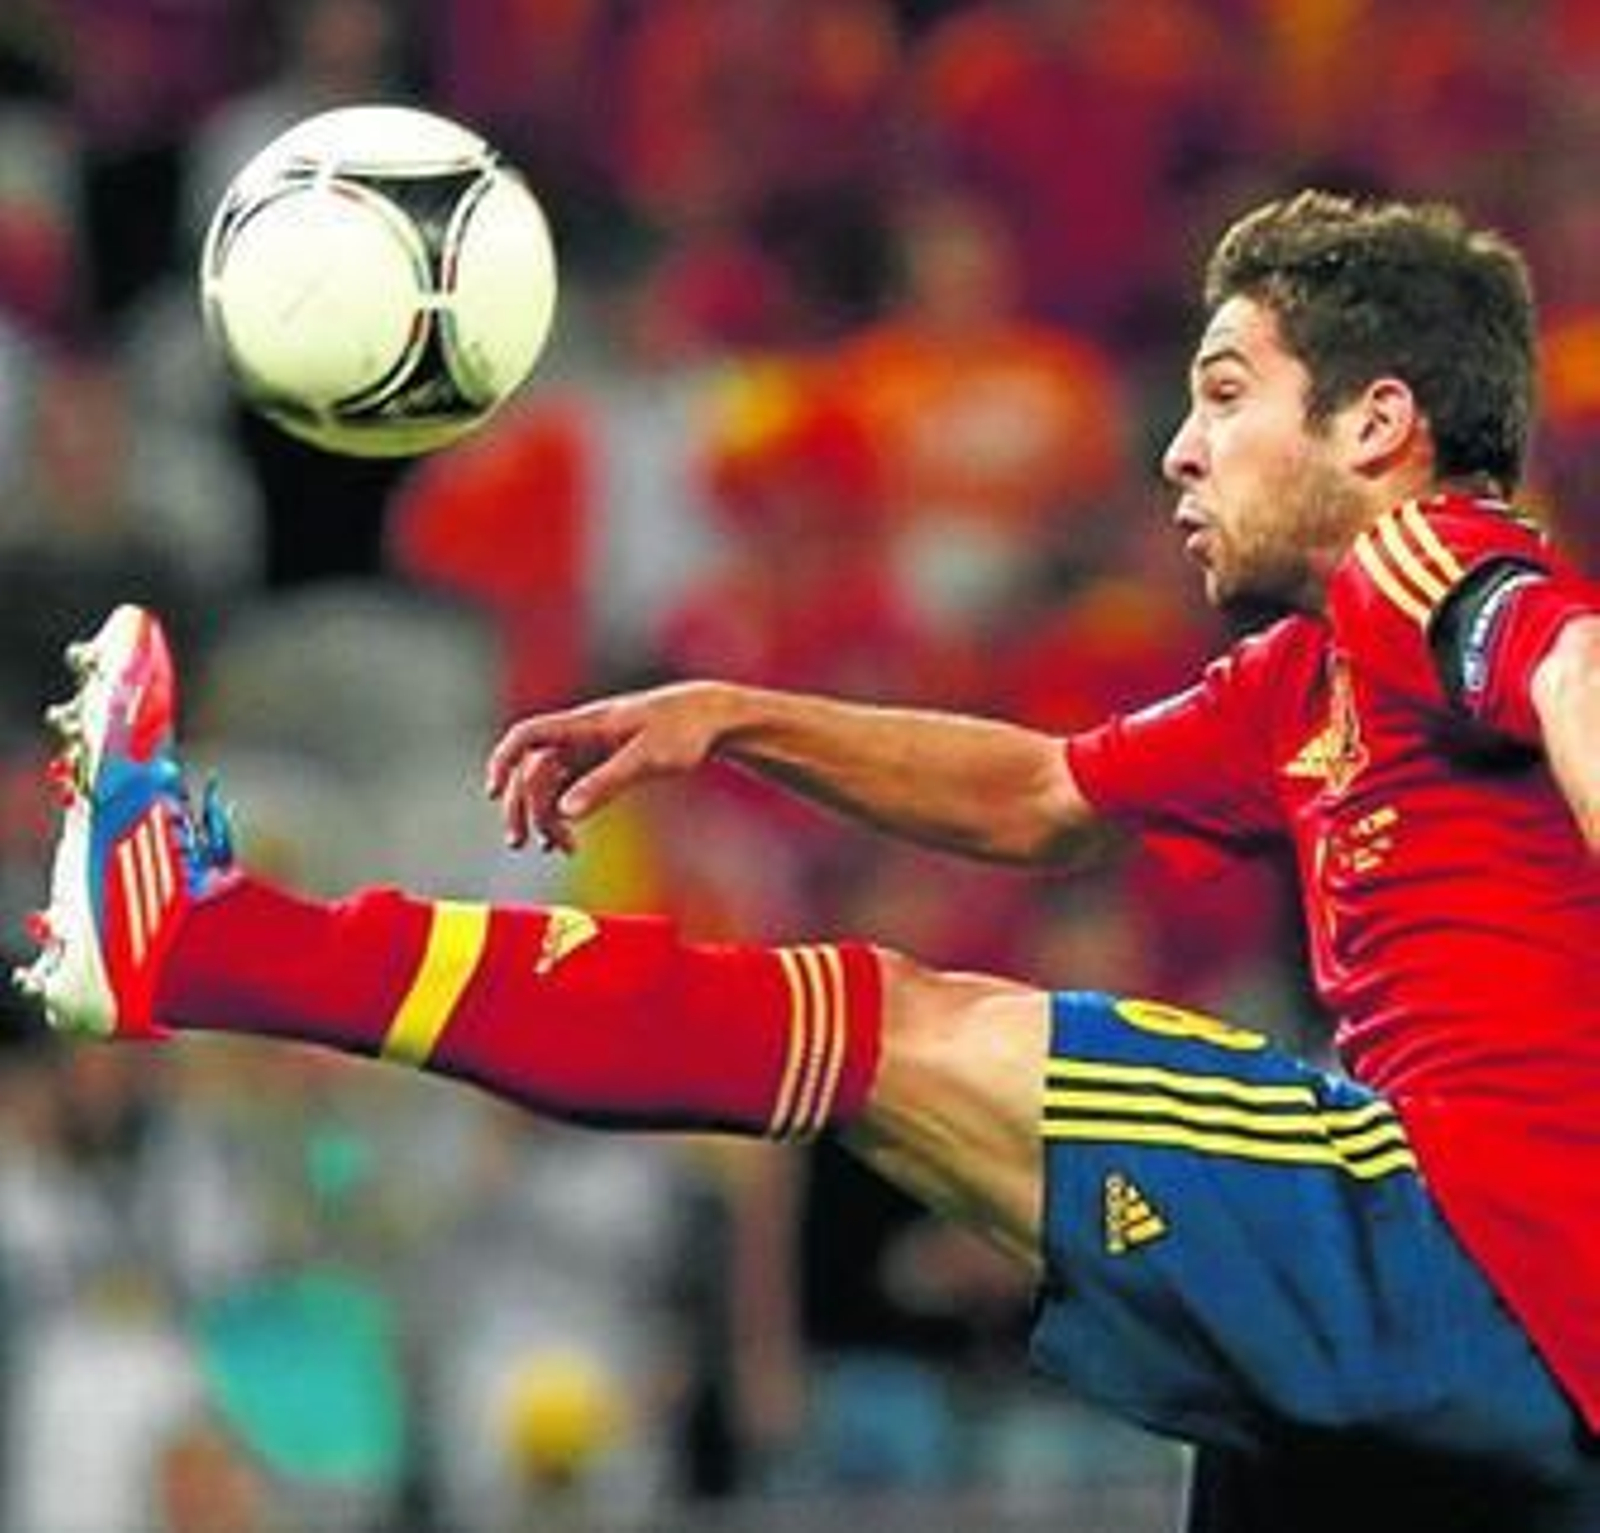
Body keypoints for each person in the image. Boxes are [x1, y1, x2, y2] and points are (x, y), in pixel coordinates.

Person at [16, 189, 1600, 1531]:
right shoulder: (1299, 679)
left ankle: (210, 942)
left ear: (1378, 421)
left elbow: (1574, 668)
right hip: (1503, 1350)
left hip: (1460, 1239)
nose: (1180, 449)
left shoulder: (1429, 556)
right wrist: (741, 716)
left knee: (888, 1021)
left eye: (1228, 392)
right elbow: (1043, 791)